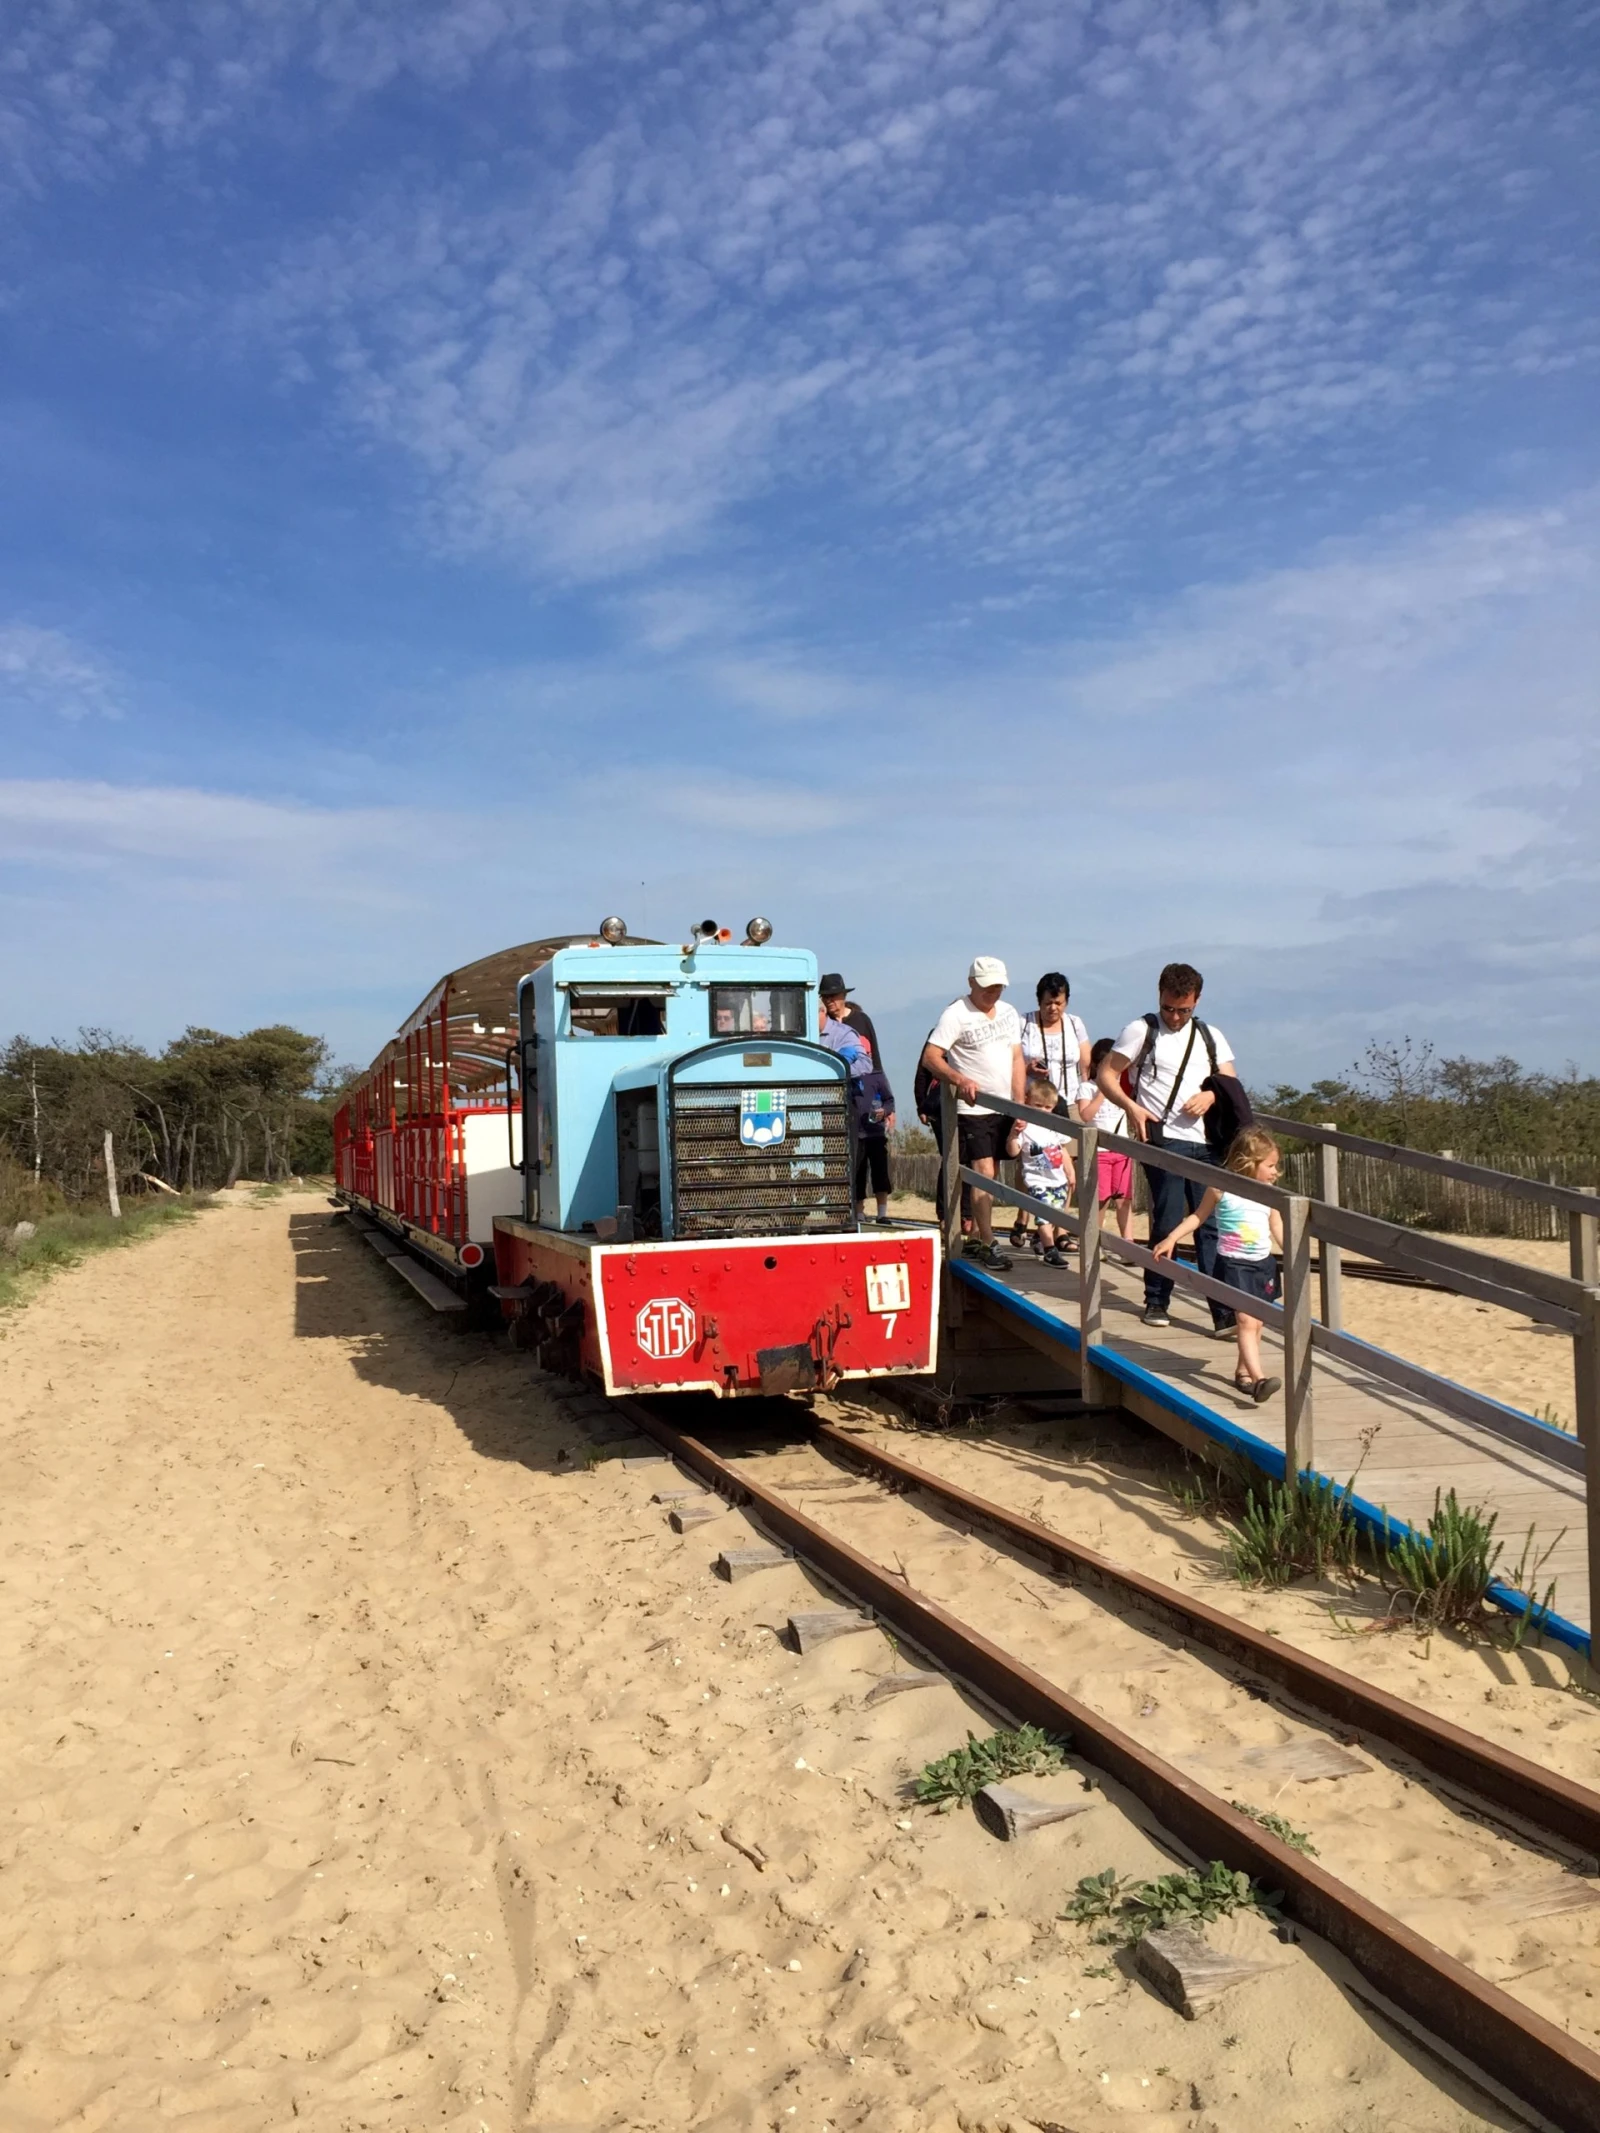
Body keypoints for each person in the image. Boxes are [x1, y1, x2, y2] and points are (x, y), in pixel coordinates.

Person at [1097, 962, 1241, 1330]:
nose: (1175, 1017)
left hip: (1207, 1143)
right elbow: (1106, 1074)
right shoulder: (1141, 1030)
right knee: (1167, 1219)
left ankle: (1222, 1311)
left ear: (1197, 1001)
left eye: (1184, 1010)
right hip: (1163, 1140)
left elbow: (1230, 1082)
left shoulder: (1211, 1036)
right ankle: (1157, 1300)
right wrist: (1131, 1107)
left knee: (1211, 1226)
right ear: (1159, 995)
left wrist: (1211, 1095)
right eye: (1168, 1008)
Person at [1153, 1127, 1284, 1404]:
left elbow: (1277, 1226)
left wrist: (1294, 1252)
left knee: (1257, 1322)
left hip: (1263, 1264)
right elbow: (1198, 1217)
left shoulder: (1269, 1193)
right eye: (1271, 1166)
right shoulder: (1221, 1188)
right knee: (1245, 1320)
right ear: (1249, 1162)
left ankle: (1243, 1372)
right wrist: (1172, 1237)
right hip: (1234, 1264)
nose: (1276, 1172)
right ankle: (1259, 1380)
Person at [921, 958, 1026, 1269]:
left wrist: (1020, 1104)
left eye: (998, 987)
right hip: (973, 1107)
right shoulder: (956, 1014)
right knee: (984, 1171)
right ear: (972, 983)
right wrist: (959, 1079)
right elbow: (931, 1057)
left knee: (994, 1169)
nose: (993, 993)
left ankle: (979, 1236)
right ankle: (991, 1242)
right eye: (987, 988)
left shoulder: (1008, 1012)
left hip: (1004, 1105)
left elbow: (1016, 1058)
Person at [1009, 973, 1090, 1250]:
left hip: (1066, 1102)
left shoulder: (1075, 1024)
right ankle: (1026, 1218)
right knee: (1031, 1162)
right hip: (1034, 1102)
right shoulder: (1024, 1023)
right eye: (1047, 1003)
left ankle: (1058, 1228)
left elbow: (1086, 1064)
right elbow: (1011, 1060)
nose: (1053, 1008)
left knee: (1066, 1167)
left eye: (1059, 1003)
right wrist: (1027, 1069)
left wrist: (1085, 1098)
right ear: (1038, 1001)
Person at [1007, 1074, 1075, 1266]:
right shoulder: (1024, 1126)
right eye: (1038, 1106)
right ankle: (1050, 1250)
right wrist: (1013, 1134)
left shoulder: (1054, 1126)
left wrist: (1070, 1171)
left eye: (1047, 1107)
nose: (1043, 1111)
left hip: (1057, 1179)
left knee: (1054, 1214)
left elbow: (1062, 1150)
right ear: (1027, 1101)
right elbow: (1013, 1151)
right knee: (1044, 1214)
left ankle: (1040, 1238)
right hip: (1036, 1180)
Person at [1074, 1037, 1136, 1243]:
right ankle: (1095, 1242)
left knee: (1124, 1198)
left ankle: (1128, 1242)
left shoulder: (1124, 1087)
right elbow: (1085, 1115)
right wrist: (1103, 1091)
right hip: (1098, 1152)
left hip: (1122, 1149)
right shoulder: (1087, 1088)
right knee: (1100, 1199)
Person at [851, 1059, 896, 1223]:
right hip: (855, 1134)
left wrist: (884, 1111)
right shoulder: (848, 1074)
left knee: (880, 1173)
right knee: (857, 1174)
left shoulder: (877, 1075)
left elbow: (889, 1100)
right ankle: (859, 1213)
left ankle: (882, 1214)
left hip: (876, 1133)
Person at [818, 975, 880, 1072]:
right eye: (825, 997)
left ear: (844, 995)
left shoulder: (861, 1019)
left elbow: (874, 1054)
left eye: (833, 995)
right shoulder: (823, 1024)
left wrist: (878, 1075)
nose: (829, 1000)